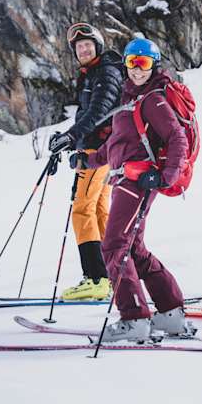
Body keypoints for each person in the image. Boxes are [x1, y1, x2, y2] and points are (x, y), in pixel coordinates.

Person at [70, 38, 190, 341]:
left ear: (154, 65)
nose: (137, 69)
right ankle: (171, 313)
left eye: (144, 63)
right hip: (124, 178)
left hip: (140, 181)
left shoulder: (153, 98)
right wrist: (88, 159)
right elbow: (116, 144)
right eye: (132, 62)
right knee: (133, 248)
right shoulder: (129, 98)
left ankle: (134, 318)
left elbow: (177, 139)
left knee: (113, 246)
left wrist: (166, 176)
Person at [47, 23, 124, 301]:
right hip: (100, 149)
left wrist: (71, 136)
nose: (83, 49)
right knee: (100, 210)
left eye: (88, 45)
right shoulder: (94, 73)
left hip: (98, 152)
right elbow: (88, 114)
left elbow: (99, 112)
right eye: (79, 47)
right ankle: (113, 276)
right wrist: (69, 138)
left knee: (82, 210)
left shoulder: (106, 72)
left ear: (98, 46)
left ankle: (96, 278)